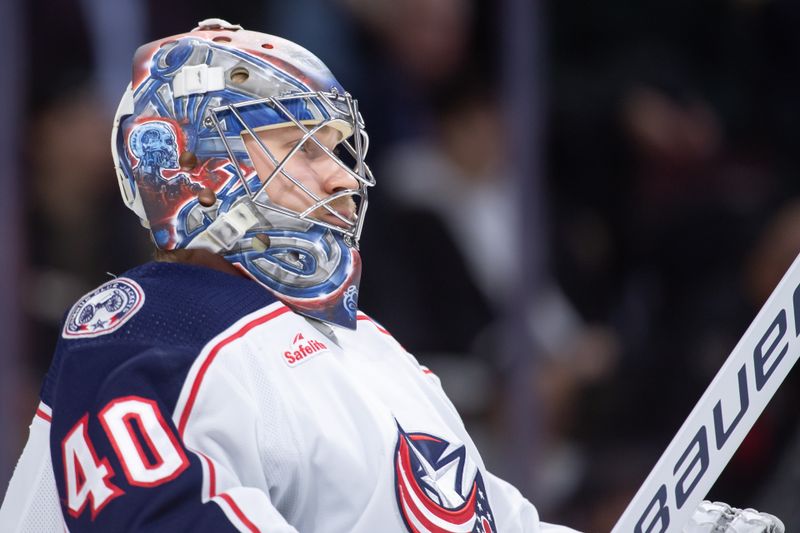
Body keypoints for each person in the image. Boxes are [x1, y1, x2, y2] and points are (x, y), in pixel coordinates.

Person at [0, 19, 785, 533]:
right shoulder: (147, 325)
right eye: (303, 148)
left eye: (340, 150)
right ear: (195, 166)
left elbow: (482, 518)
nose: (342, 177)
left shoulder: (368, 347)